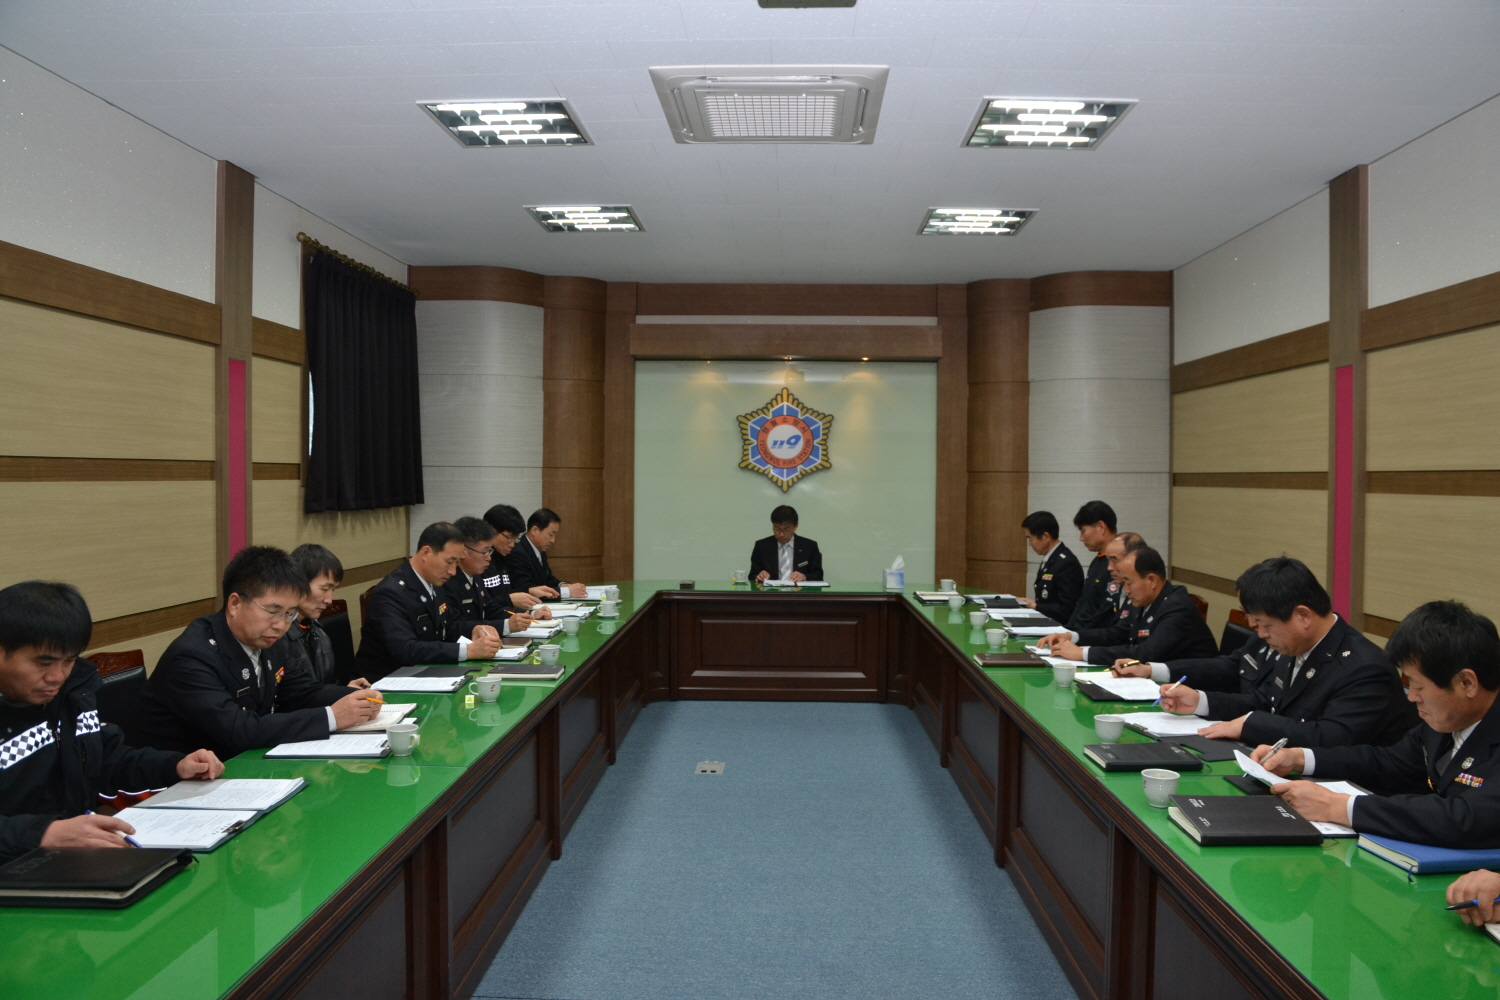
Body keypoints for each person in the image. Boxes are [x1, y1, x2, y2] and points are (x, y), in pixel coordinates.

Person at [0, 581, 224, 863]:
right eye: (43, 663)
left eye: (68, 661)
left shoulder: (72, 694)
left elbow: (106, 759)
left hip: (72, 858)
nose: (57, 676)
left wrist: (174, 766)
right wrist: (43, 834)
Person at [1252, 601, 1500, 849]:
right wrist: (1300, 758)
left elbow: (1467, 818)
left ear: (1466, 683)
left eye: (1418, 685)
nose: (1412, 696)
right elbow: (1390, 763)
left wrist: (1338, 807)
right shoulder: (1450, 718)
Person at [135, 547, 382, 759]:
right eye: (273, 611)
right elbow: (238, 730)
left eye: (289, 613)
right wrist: (332, 717)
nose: (281, 625)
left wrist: (358, 697)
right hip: (177, 779)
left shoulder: (269, 641)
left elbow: (302, 691)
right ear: (235, 604)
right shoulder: (191, 656)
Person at [1148, 557, 1415, 747]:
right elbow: (1266, 702)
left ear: (1303, 616)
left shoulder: (1364, 668)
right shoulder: (1294, 644)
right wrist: (1200, 702)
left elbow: (1330, 737)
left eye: (1266, 626)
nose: (1261, 635)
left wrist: (1252, 725)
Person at [354, 522, 503, 680]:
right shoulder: (390, 593)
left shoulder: (433, 583)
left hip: (426, 674)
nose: (453, 571)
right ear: (426, 553)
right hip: (386, 682)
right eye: (449, 562)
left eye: (457, 563)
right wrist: (468, 650)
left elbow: (449, 626)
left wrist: (474, 629)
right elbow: (406, 649)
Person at [1038, 546, 1216, 665]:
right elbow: (1116, 634)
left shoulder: (1177, 607)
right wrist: (1071, 636)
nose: (1126, 590)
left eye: (1129, 582)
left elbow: (1145, 654)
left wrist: (1082, 654)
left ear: (1152, 581)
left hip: (1190, 691)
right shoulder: (1146, 598)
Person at [443, 516, 545, 634]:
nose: (489, 558)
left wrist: (529, 614)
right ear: (463, 551)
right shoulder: (448, 580)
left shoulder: (474, 575)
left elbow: (489, 608)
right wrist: (505, 626)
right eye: (484, 552)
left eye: (489, 551)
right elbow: (455, 627)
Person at [287, 543, 349, 685]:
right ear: (298, 583)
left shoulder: (317, 630)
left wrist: (345, 691)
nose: (329, 600)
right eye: (324, 589)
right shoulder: (275, 636)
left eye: (333, 590)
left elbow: (323, 685)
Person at [506, 508, 587, 600]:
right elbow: (527, 590)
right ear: (535, 530)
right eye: (551, 535)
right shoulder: (517, 553)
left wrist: (562, 585)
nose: (553, 540)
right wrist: (566, 592)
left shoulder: (539, 549)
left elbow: (547, 579)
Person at [1021, 511, 1082, 623]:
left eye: (1031, 539)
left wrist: (1036, 606)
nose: (1030, 544)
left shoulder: (1067, 563)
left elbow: (1068, 609)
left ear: (1045, 537)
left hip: (1060, 628)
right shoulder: (1050, 559)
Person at [1066, 501, 1119, 632]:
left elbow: (1105, 614)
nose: (1081, 538)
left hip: (1095, 637)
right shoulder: (1097, 561)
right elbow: (1083, 603)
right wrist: (1067, 631)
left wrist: (1077, 636)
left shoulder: (1119, 564)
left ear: (1101, 527)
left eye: (1083, 531)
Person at [483, 503, 539, 612]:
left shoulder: (503, 557)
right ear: (492, 531)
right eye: (509, 538)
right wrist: (509, 600)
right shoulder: (479, 562)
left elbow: (504, 596)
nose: (512, 544)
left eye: (515, 539)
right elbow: (483, 606)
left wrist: (529, 592)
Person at [749, 505, 824, 583]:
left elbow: (818, 576)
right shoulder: (761, 546)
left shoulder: (809, 547)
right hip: (771, 590)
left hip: (799, 590)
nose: (781, 534)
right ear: (773, 526)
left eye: (786, 529)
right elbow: (752, 576)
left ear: (795, 526)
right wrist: (759, 576)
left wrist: (804, 577)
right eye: (777, 529)